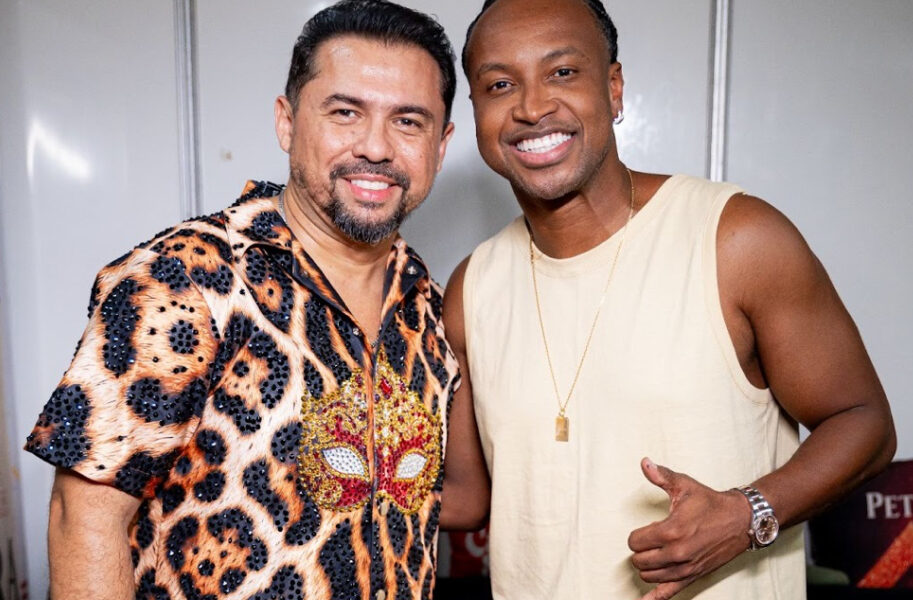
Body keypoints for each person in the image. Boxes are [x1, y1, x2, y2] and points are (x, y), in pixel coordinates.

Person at [441, 0, 897, 599]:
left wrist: (747, 514)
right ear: (475, 114)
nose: (531, 106)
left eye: (562, 72)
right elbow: (467, 498)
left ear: (614, 88)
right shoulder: (471, 288)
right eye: (500, 85)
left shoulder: (735, 239)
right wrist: (320, 472)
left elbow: (865, 424)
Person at [24, 1, 463, 598]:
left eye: (408, 122)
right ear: (287, 122)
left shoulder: (429, 308)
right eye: (345, 113)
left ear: (441, 144)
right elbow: (83, 517)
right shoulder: (186, 278)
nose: (376, 147)